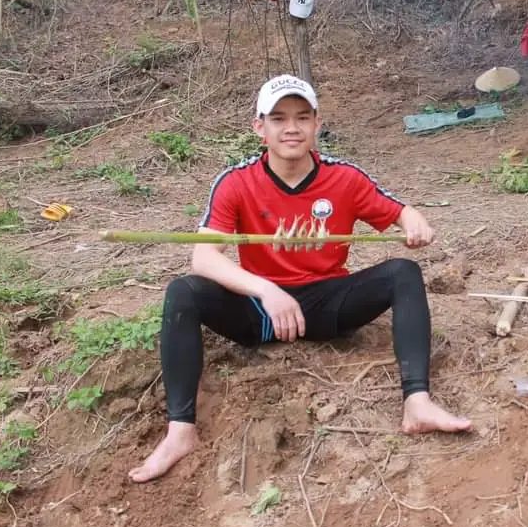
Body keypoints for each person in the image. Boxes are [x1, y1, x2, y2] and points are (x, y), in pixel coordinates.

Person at [129, 74, 472, 483]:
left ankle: (417, 403)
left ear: (316, 124)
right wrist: (266, 290)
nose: (291, 128)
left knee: (403, 272)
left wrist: (414, 223)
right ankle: (180, 432)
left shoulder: (344, 178)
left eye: (302, 117)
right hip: (259, 313)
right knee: (183, 291)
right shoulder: (237, 181)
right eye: (278, 118)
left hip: (327, 307)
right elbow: (203, 257)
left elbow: (401, 212)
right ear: (260, 128)